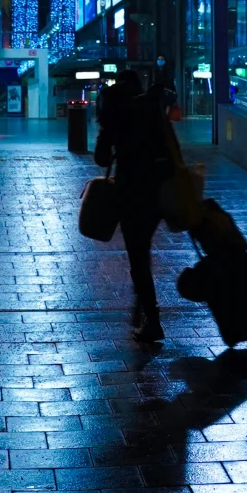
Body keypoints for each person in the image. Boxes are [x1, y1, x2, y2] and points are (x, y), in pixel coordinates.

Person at [94, 68, 175, 345]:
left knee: (138, 255)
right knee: (144, 247)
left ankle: (152, 319)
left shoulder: (114, 107)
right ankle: (143, 303)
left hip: (131, 191)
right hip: (159, 188)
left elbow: (102, 158)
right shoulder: (152, 106)